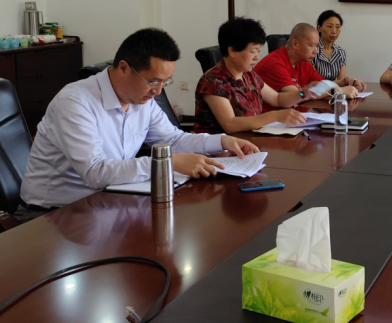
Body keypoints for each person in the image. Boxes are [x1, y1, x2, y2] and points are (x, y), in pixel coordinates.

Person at [18, 28, 259, 218]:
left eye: (165, 82)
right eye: (153, 81)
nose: (158, 91)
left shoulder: (141, 100)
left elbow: (173, 139)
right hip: (53, 215)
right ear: (124, 68)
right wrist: (168, 163)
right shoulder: (75, 102)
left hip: (109, 201)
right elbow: (95, 172)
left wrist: (222, 141)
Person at [194, 17, 308, 134]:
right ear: (232, 51)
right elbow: (230, 124)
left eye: (259, 51)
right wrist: (275, 116)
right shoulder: (214, 80)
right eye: (253, 51)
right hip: (220, 144)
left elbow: (277, 99)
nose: (257, 57)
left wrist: (304, 93)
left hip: (250, 138)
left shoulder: (248, 74)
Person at [255, 23, 359, 103]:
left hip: (296, 115)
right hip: (272, 120)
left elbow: (324, 85)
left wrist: (345, 82)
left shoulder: (302, 61)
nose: (316, 51)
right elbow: (297, 96)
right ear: (295, 44)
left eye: (317, 46)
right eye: (311, 45)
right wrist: (336, 91)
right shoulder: (275, 64)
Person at [312, 10, 366, 92]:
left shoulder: (341, 52)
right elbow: (313, 81)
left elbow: (341, 81)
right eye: (330, 26)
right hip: (316, 93)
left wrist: (351, 82)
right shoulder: (312, 50)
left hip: (335, 94)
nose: (334, 31)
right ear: (319, 28)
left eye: (337, 27)